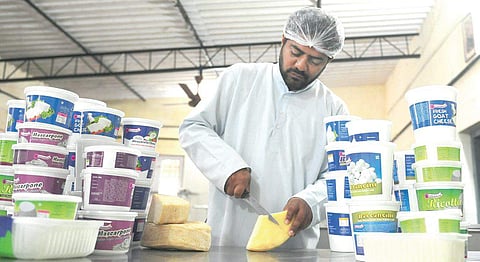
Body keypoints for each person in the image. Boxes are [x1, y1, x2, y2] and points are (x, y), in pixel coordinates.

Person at [179, 6, 349, 249]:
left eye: (314, 60)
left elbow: (337, 175)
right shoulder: (239, 79)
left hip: (293, 249)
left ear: (328, 60)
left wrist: (311, 201)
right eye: (296, 52)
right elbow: (193, 127)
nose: (301, 65)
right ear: (282, 41)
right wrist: (227, 167)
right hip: (225, 244)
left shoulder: (335, 109)